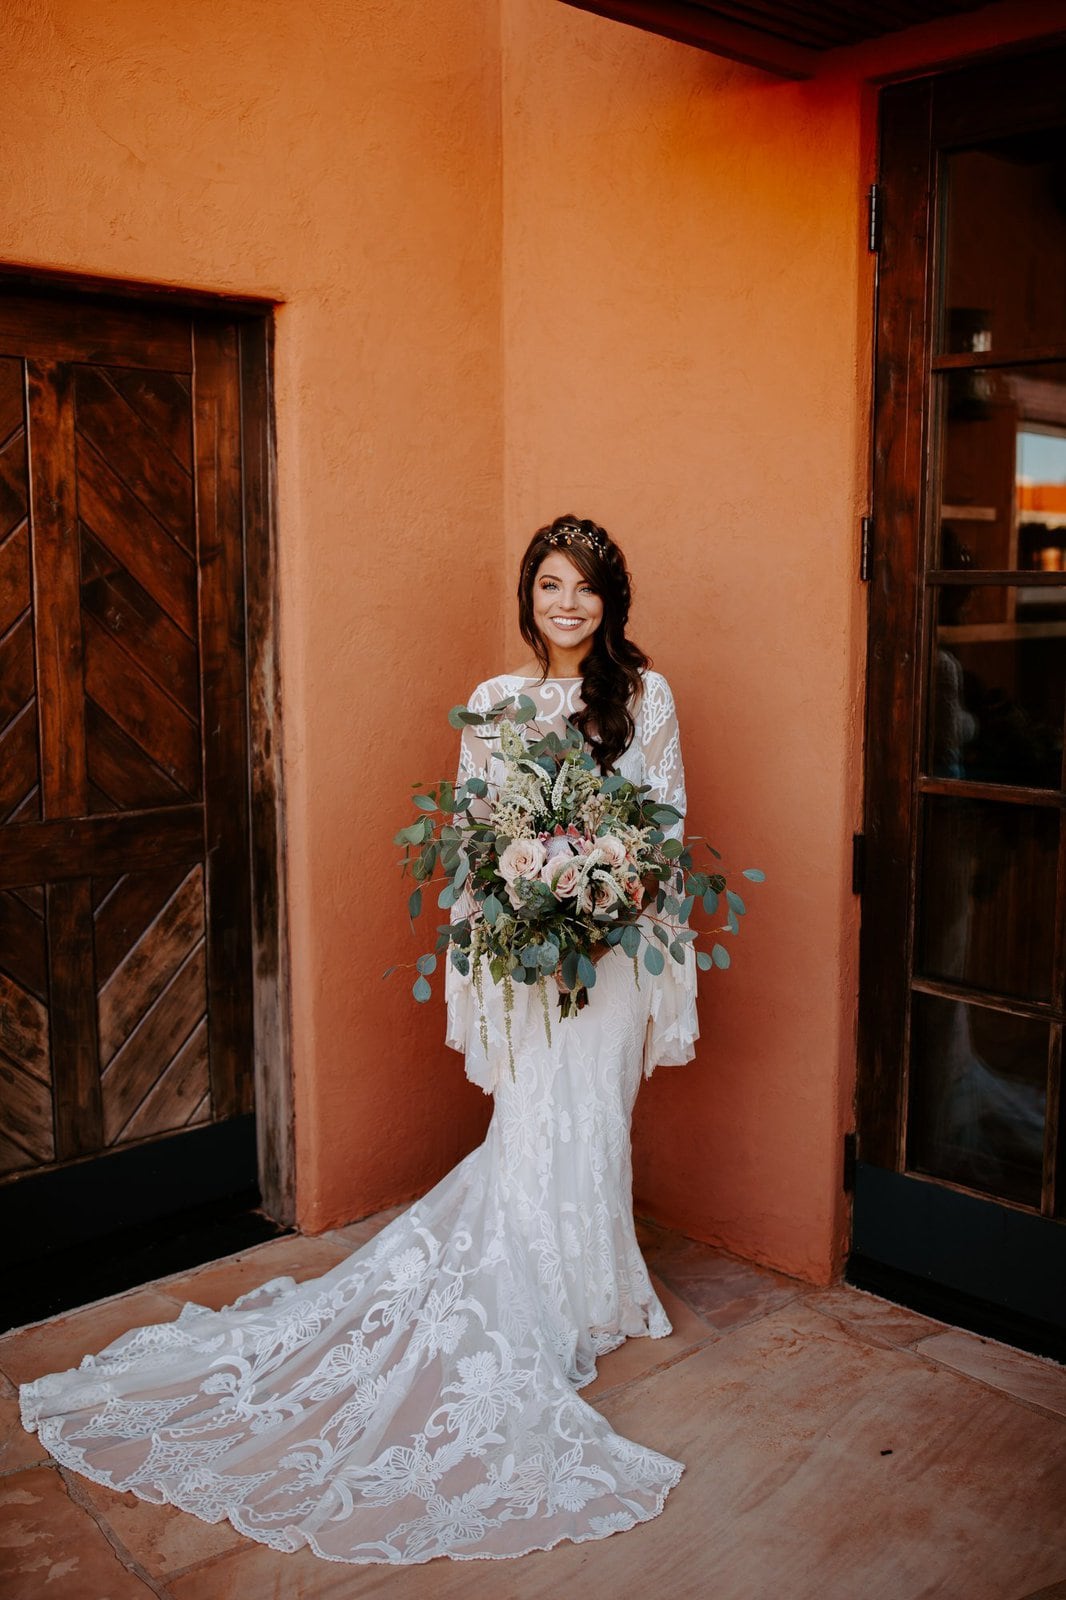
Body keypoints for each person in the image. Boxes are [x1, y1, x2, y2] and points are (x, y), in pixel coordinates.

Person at [20, 514, 699, 1565]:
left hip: (607, 951)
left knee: (596, 1106)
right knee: (534, 1112)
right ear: (528, 595)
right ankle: (543, 1295)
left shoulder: (646, 699)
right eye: (550, 584)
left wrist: (607, 895)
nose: (567, 604)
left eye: (587, 588)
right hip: (528, 947)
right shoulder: (492, 700)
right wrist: (515, 921)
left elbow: (664, 826)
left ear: (613, 600)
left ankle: (593, 1287)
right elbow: (479, 836)